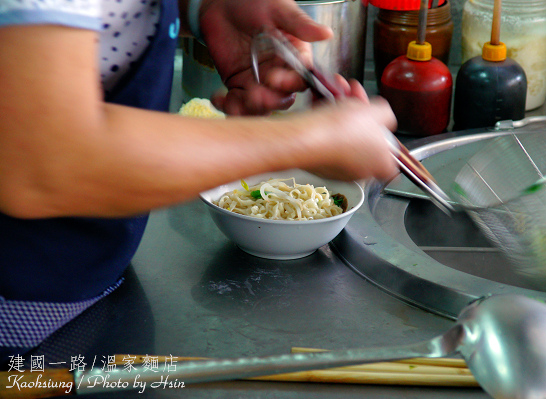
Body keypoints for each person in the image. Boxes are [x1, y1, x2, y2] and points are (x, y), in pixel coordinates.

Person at [0, 0, 398, 362]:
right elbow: (45, 163)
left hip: (87, 280)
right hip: (18, 316)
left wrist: (205, 9)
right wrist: (311, 140)